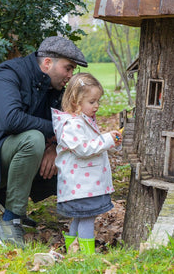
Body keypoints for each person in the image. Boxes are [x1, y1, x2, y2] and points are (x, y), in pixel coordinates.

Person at [0, 36, 88, 249]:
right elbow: (10, 120)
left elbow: (72, 124)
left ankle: (19, 206)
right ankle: (9, 220)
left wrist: (53, 147)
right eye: (68, 68)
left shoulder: (55, 89)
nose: (70, 76)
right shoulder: (9, 74)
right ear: (48, 63)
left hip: (8, 153)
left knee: (71, 147)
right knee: (33, 140)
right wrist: (54, 133)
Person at [51, 73, 122, 254]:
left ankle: (73, 250)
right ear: (76, 102)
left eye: (98, 101)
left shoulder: (83, 121)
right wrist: (106, 139)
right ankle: (87, 255)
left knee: (80, 217)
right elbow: (83, 149)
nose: (97, 106)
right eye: (92, 102)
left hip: (84, 184)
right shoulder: (72, 124)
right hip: (81, 185)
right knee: (87, 218)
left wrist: (111, 142)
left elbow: (95, 145)